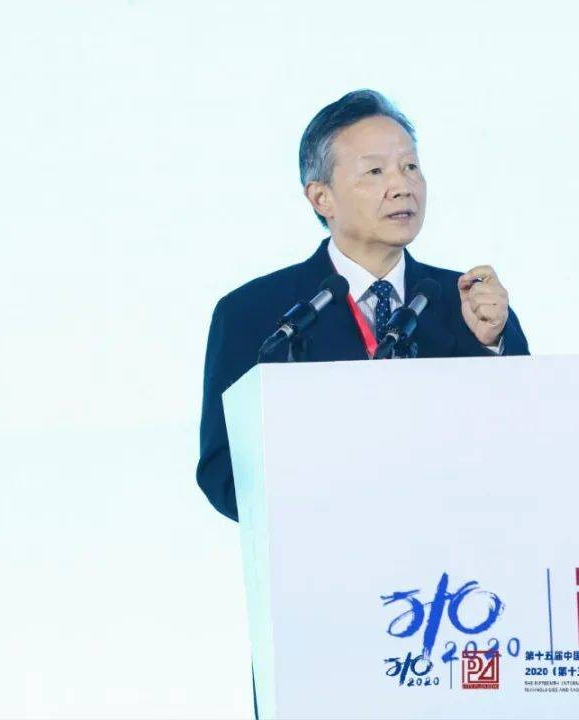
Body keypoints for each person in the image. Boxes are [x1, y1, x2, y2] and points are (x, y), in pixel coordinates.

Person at [196, 89, 531, 715]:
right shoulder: (255, 314)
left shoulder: (469, 303)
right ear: (320, 197)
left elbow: (523, 447)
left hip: (460, 608)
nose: (402, 185)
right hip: (322, 612)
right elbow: (222, 473)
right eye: (374, 171)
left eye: (410, 166)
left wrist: (491, 346)